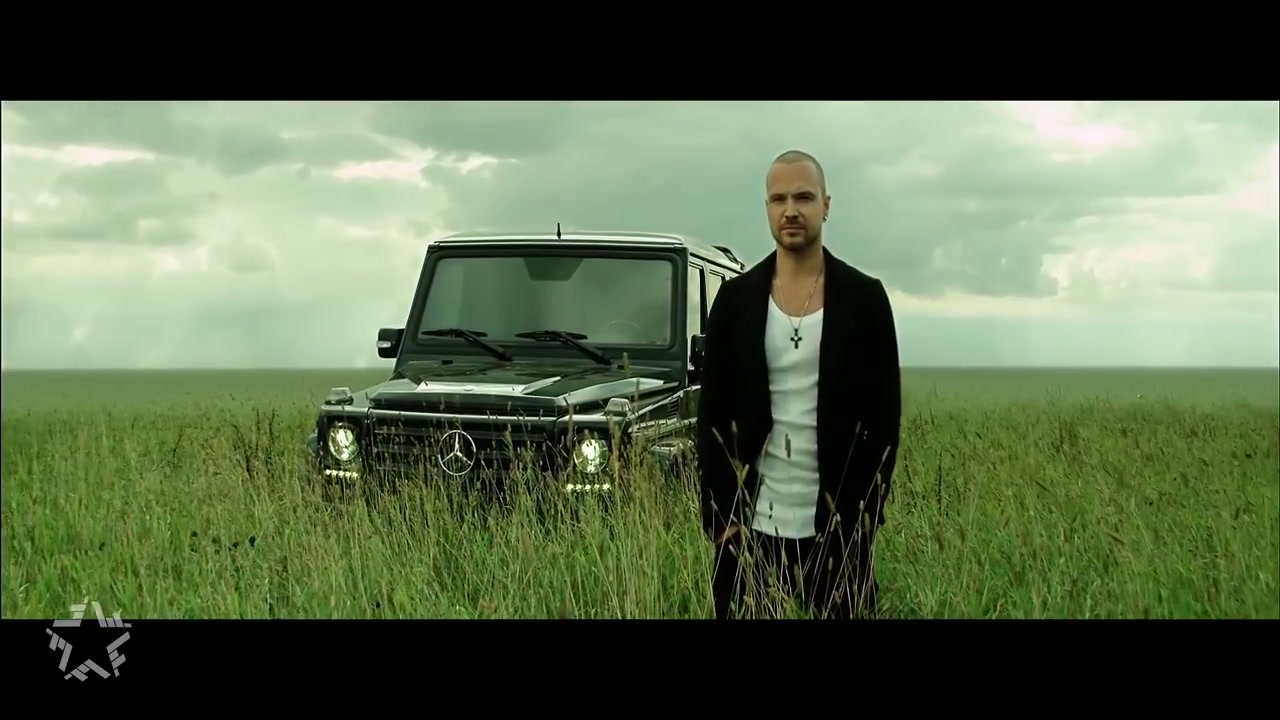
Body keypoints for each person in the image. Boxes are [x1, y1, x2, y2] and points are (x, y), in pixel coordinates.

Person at [696, 149, 902, 620]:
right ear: (767, 208)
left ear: (826, 206)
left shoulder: (865, 299)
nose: (790, 210)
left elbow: (884, 423)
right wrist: (722, 523)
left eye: (804, 197)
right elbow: (710, 419)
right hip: (748, 530)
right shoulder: (735, 300)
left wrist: (861, 521)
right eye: (779, 199)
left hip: (836, 532)